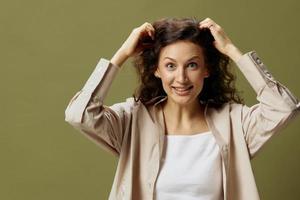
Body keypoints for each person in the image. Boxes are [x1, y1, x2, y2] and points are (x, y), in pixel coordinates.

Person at [64, 17, 300, 200]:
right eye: (170, 66)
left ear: (207, 69)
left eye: (192, 65)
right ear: (156, 70)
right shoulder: (133, 120)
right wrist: (122, 54)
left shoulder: (234, 122)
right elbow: (80, 115)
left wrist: (231, 50)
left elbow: (284, 108)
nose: (181, 78)